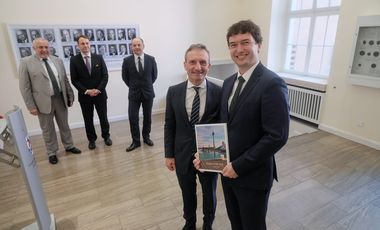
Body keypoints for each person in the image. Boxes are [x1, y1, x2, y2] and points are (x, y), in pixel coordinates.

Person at [194, 19, 290, 230]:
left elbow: (277, 136)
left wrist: (239, 166)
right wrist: (207, 155)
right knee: (236, 223)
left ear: (258, 45)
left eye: (245, 42)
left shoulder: (272, 83)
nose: (239, 49)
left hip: (252, 175)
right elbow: (223, 125)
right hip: (226, 172)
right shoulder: (228, 82)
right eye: (233, 44)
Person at [165, 44, 221, 230]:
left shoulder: (219, 92)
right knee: (187, 193)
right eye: (193, 62)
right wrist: (169, 154)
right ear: (185, 65)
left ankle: (207, 224)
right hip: (181, 153)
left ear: (209, 66)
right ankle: (189, 223)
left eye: (203, 62)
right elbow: (170, 125)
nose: (198, 67)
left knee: (209, 193)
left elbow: (223, 126)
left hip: (210, 152)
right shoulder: (173, 91)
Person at [18, 38, 81, 165]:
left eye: (46, 47)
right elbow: (24, 87)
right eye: (40, 47)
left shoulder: (57, 60)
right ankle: (52, 152)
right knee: (48, 129)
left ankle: (69, 145)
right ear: (34, 48)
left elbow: (65, 80)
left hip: (60, 98)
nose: (44, 50)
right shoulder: (26, 63)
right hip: (42, 103)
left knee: (64, 125)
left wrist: (70, 96)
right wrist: (31, 106)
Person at [70, 35, 112, 150]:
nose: (85, 45)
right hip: (85, 96)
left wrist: (98, 89)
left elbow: (105, 76)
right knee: (88, 119)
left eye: (87, 43)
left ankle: (106, 136)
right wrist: (87, 91)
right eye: (82, 43)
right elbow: (74, 80)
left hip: (100, 94)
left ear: (90, 44)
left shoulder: (98, 57)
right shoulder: (74, 60)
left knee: (103, 117)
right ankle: (92, 140)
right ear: (78, 45)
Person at [122, 37, 157, 152]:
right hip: (134, 94)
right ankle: (136, 141)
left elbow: (154, 76)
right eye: (134, 45)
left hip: (148, 93)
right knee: (133, 118)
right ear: (131, 47)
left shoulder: (151, 59)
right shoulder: (126, 61)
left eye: (139, 45)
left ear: (143, 46)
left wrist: (145, 85)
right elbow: (125, 77)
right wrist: (134, 86)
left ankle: (146, 137)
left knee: (147, 117)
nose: (137, 47)